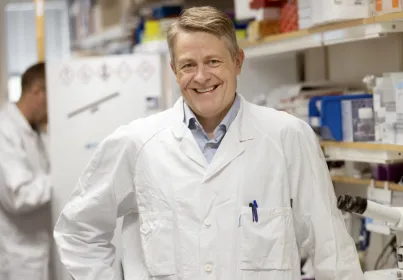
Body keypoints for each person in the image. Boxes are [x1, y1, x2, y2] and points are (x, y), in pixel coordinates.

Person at [53, 6, 364, 280]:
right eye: (188, 65)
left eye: (213, 61)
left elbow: (331, 249)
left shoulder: (287, 137)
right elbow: (79, 231)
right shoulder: (137, 144)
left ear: (238, 61)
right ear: (174, 71)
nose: (201, 76)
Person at [0, 62, 51, 280]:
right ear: (37, 92)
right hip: (20, 259)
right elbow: (18, 196)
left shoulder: (36, 130)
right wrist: (65, 178)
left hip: (41, 251)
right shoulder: (5, 131)